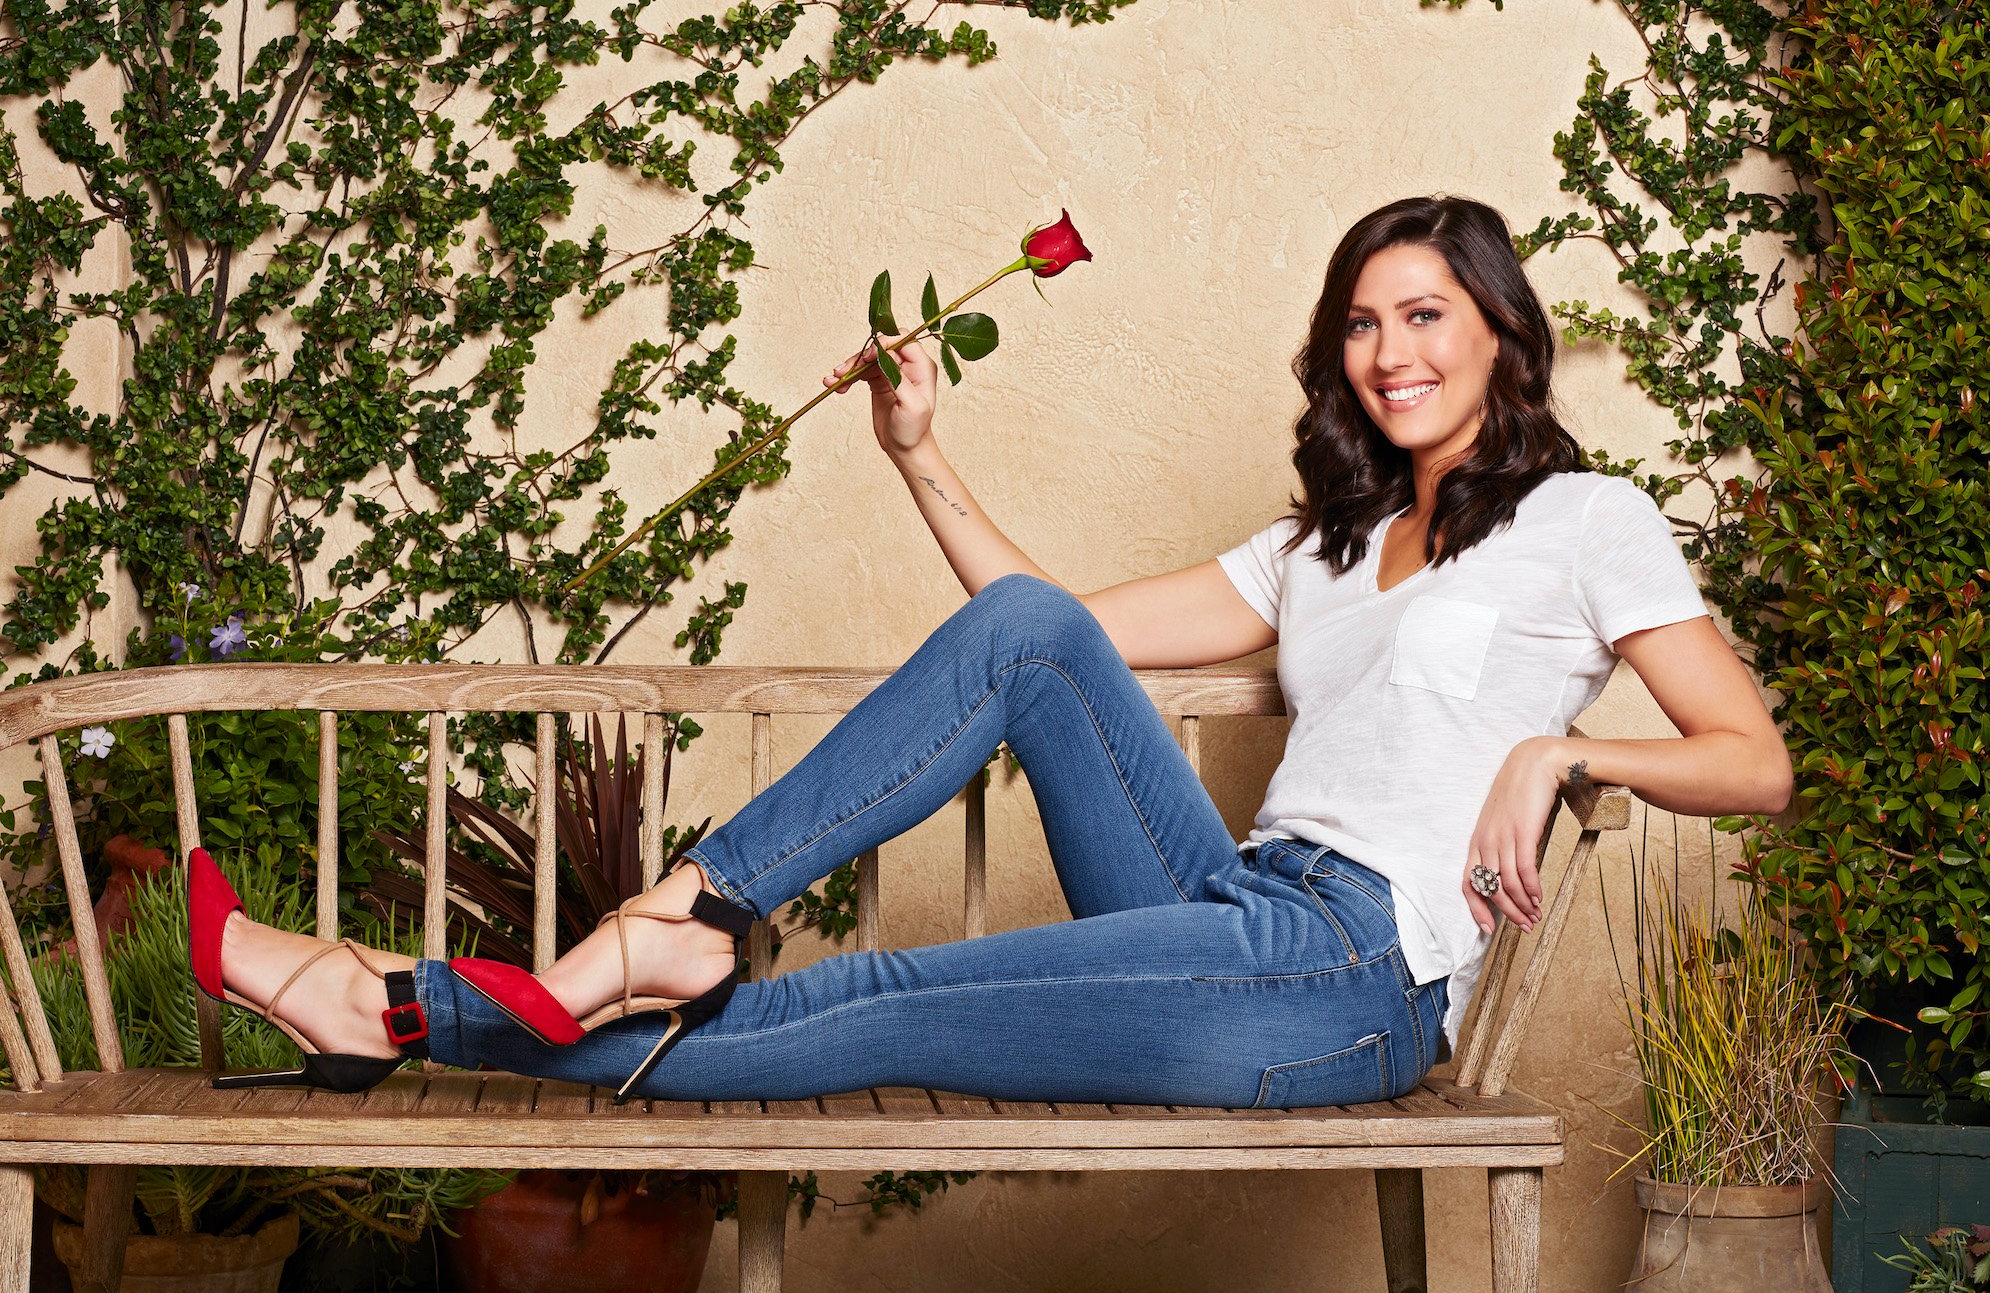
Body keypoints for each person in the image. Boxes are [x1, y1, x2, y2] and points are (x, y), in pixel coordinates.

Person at [190, 195, 1793, 1109]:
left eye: (1427, 315)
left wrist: (1561, 748)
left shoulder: (1586, 519)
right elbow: (1050, 633)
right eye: (1365, 324)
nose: (1390, 353)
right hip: (1231, 903)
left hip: (1351, 975)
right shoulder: (1324, 540)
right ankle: (691, 910)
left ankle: (397, 1004)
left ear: (1504, 328)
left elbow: (1755, 762)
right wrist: (917, 454)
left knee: (875, 995)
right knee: (1028, 630)